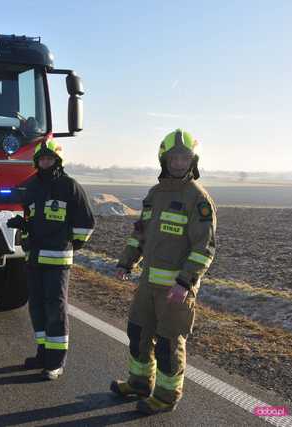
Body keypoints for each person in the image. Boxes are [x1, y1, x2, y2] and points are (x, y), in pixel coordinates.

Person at [110, 129, 217, 414]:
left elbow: (204, 248)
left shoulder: (198, 199)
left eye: (185, 158)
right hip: (147, 285)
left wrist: (185, 282)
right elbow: (140, 235)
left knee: (169, 344)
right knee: (138, 333)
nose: (179, 163)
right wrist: (125, 262)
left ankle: (166, 396)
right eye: (174, 158)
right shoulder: (155, 195)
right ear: (164, 159)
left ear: (192, 161)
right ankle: (140, 383)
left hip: (176, 290)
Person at [7, 139, 95, 380]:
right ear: (37, 161)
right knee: (36, 307)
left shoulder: (70, 186)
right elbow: (32, 219)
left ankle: (55, 363)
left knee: (54, 309)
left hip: (57, 260)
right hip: (34, 259)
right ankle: (43, 353)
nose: (46, 162)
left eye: (50, 158)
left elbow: (86, 223)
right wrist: (23, 225)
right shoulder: (32, 186)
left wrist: (69, 244)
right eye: (42, 159)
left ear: (58, 160)